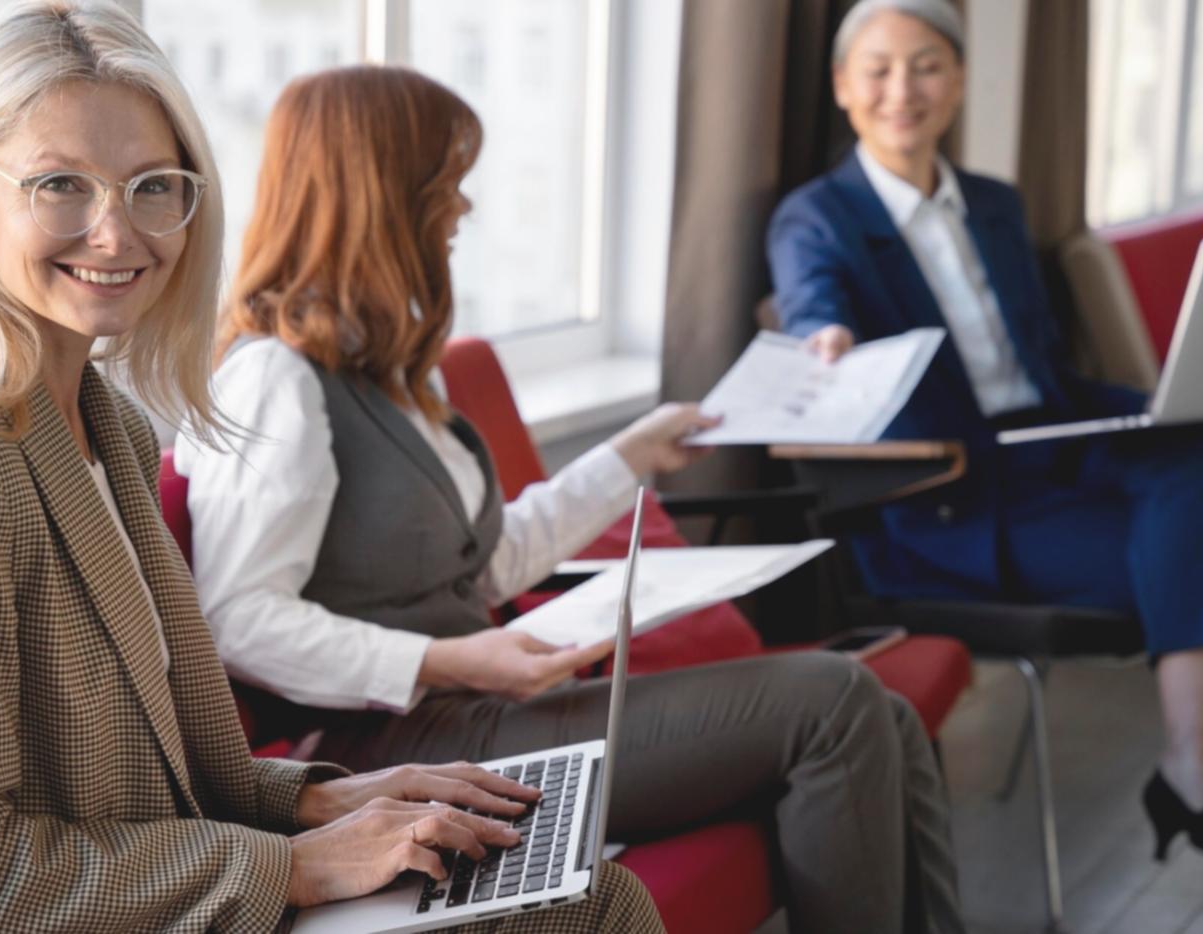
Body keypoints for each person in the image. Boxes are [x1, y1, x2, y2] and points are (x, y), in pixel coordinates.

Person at [0, 3, 665, 931]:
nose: (115, 233)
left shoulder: (105, 423)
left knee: (565, 877)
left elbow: (155, 780)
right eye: (60, 185)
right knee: (592, 908)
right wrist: (292, 867)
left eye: (151, 187)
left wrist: (320, 800)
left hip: (155, 890)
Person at [175, 64, 965, 934]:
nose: (463, 208)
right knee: (834, 701)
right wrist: (447, 660)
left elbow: (485, 564)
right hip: (397, 749)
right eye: (446, 184)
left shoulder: (387, 369)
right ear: (383, 196)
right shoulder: (276, 380)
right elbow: (238, 620)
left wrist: (632, 456)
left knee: (882, 712)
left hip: (476, 715)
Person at [767, 0, 1203, 858]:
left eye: (927, 66)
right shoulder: (816, 217)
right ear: (843, 86)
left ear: (959, 81)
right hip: (950, 496)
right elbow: (813, 301)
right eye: (879, 69)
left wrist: (1150, 408)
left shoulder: (997, 205)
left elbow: (1040, 365)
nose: (903, 90)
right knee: (1193, 543)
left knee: (1190, 447)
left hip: (1052, 446)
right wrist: (826, 337)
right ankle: (1193, 761)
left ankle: (1191, 761)